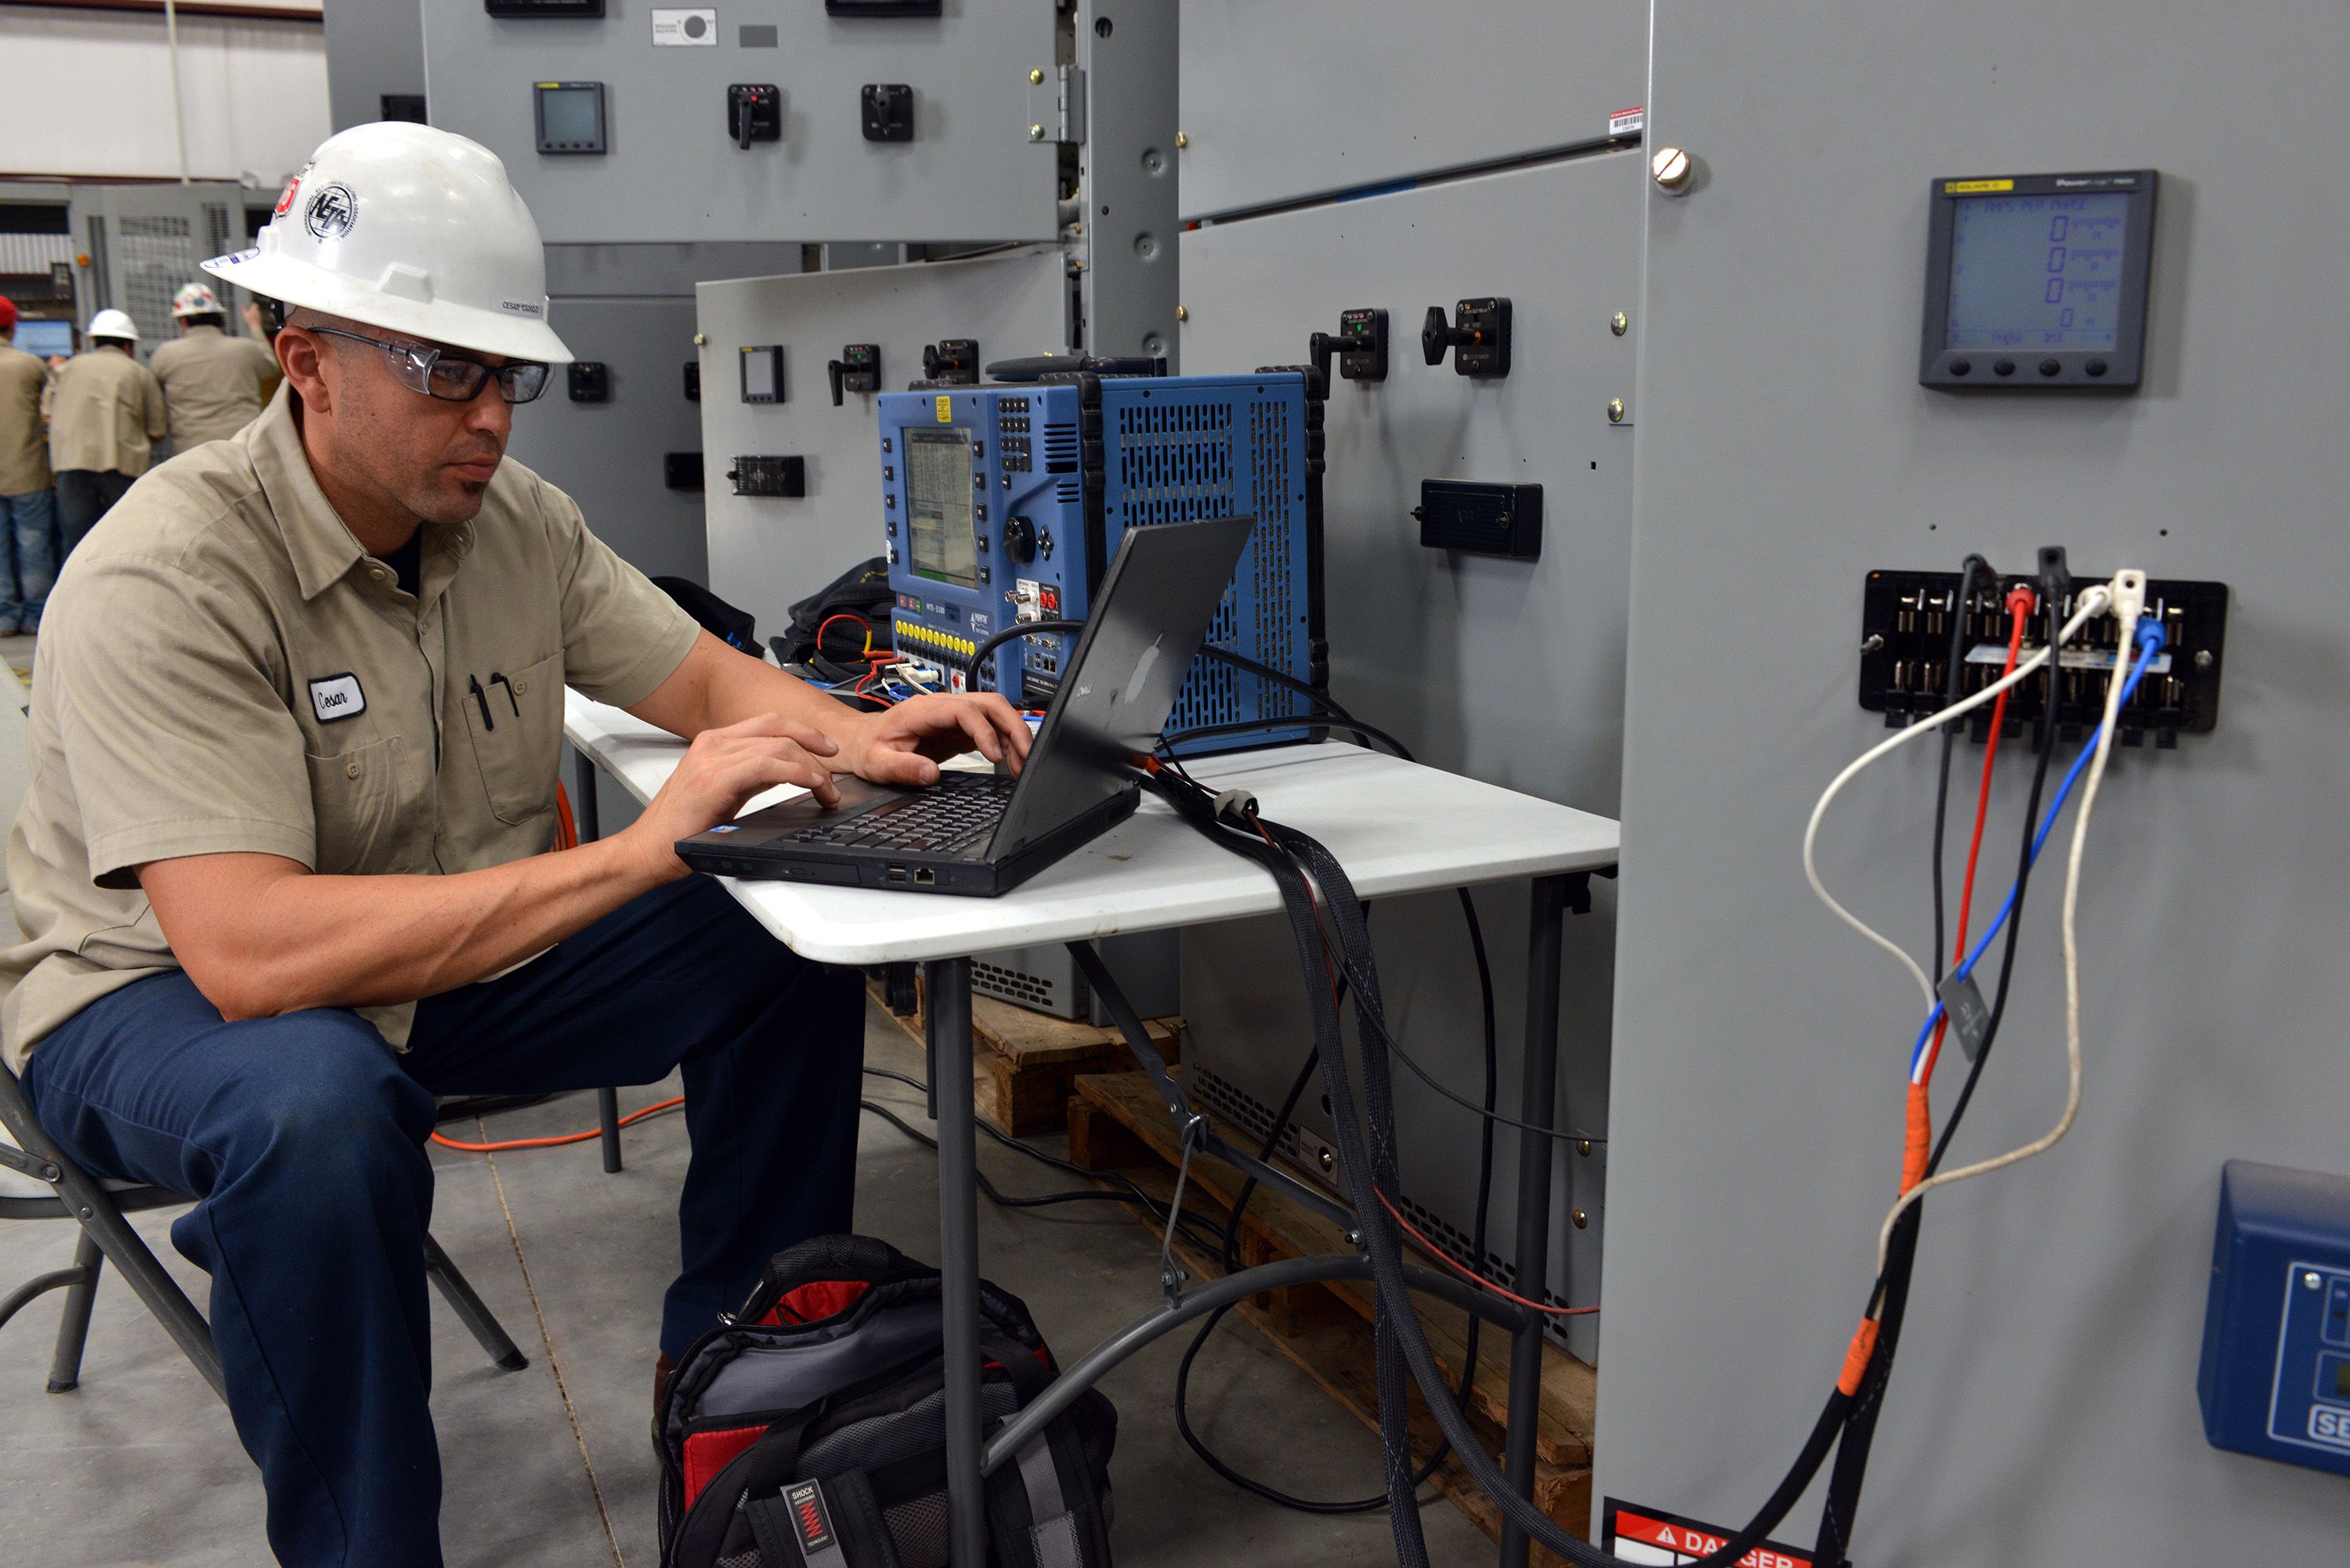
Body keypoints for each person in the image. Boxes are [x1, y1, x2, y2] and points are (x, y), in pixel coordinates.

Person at [1, 122, 1031, 1568]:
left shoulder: (513, 525)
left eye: (507, 374)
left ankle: (737, 1407)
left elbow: (704, 679)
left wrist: (866, 736)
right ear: (306, 362)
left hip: (427, 962)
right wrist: (641, 849)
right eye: (446, 370)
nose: (490, 416)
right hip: (154, 1000)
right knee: (314, 1114)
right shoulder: (169, 573)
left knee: (783, 918)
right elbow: (246, 956)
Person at [44, 307, 166, 557]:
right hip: (122, 468)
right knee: (126, 539)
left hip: (72, 465)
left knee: (77, 543)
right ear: (129, 345)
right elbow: (157, 430)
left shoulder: (64, 370)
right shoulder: (140, 373)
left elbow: (47, 414)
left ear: (94, 341)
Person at [150, 280, 282, 450]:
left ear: (183, 320)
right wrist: (255, 326)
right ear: (219, 317)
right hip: (243, 444)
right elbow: (270, 368)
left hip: (192, 447)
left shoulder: (165, 354)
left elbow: (152, 391)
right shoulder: (244, 349)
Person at [0, 297, 56, 634]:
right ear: (12, 328)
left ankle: (4, 616)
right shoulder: (30, 365)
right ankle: (36, 615)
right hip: (27, 472)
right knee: (33, 545)